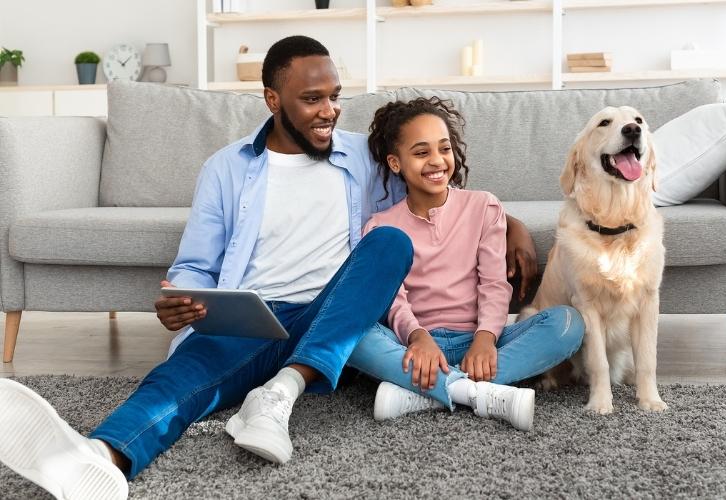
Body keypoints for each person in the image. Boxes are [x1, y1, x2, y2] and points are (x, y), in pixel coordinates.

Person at [0, 36, 539, 499]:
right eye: (311, 99)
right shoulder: (227, 168)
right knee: (176, 385)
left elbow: (438, 189)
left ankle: (281, 391)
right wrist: (181, 301)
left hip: (335, 317)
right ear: (272, 99)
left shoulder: (366, 157)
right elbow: (194, 264)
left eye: (334, 97)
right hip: (253, 318)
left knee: (390, 245)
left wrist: (510, 221)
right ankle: (100, 459)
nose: (328, 110)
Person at [347, 97, 585, 431]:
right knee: (349, 330)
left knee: (569, 323)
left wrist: (486, 339)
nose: (436, 161)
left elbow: (493, 283)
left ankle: (424, 393)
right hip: (414, 345)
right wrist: (418, 337)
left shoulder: (483, 206)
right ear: (395, 162)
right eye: (420, 152)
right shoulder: (379, 227)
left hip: (479, 341)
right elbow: (393, 300)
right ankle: (472, 391)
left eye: (444, 149)